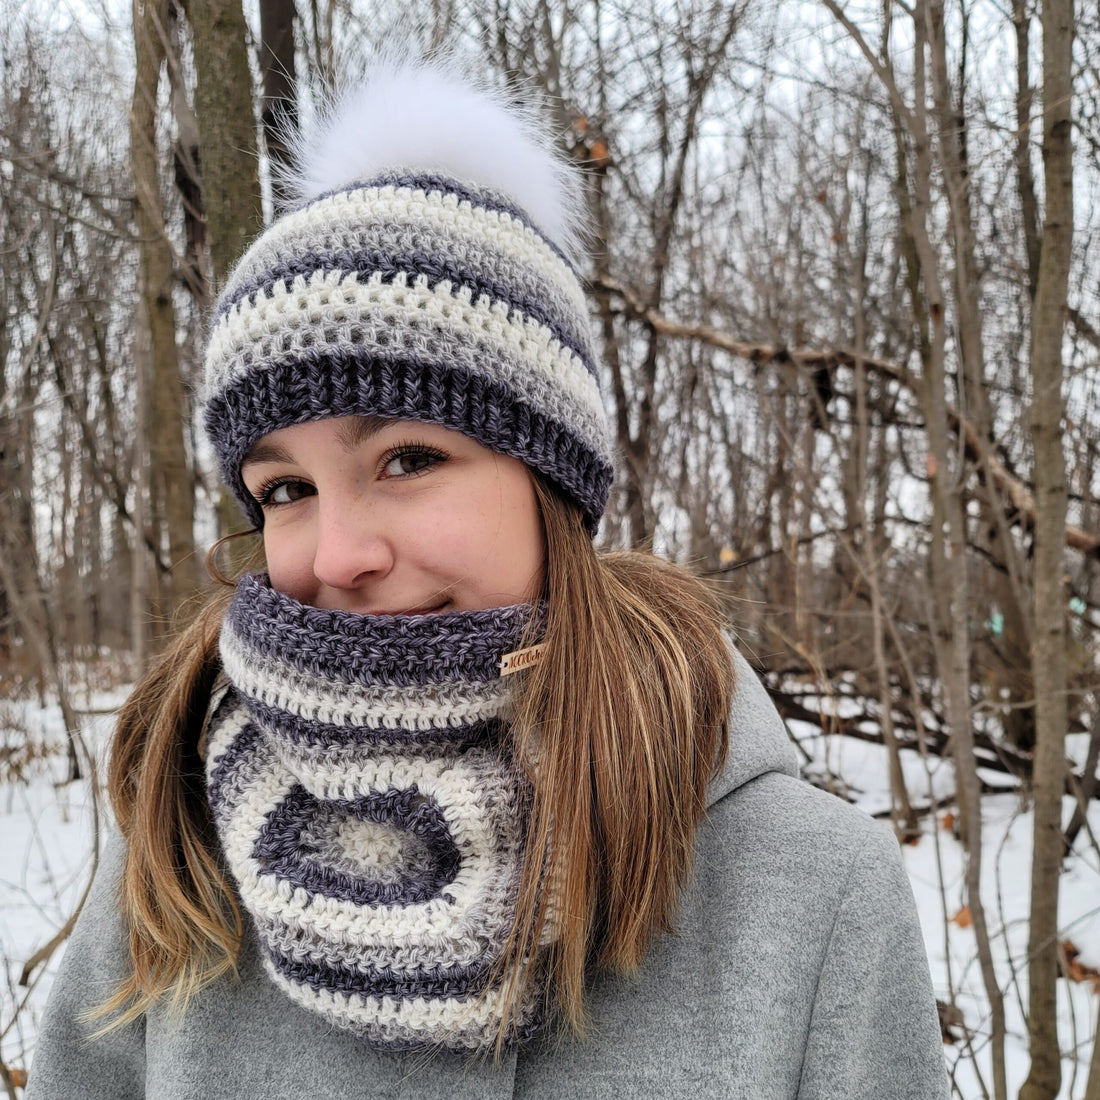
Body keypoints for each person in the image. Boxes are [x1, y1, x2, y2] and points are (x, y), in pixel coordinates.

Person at [27, 57, 948, 1099]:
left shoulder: (806, 887)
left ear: (551, 484)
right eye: (284, 488)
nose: (336, 554)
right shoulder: (177, 841)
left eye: (407, 460)